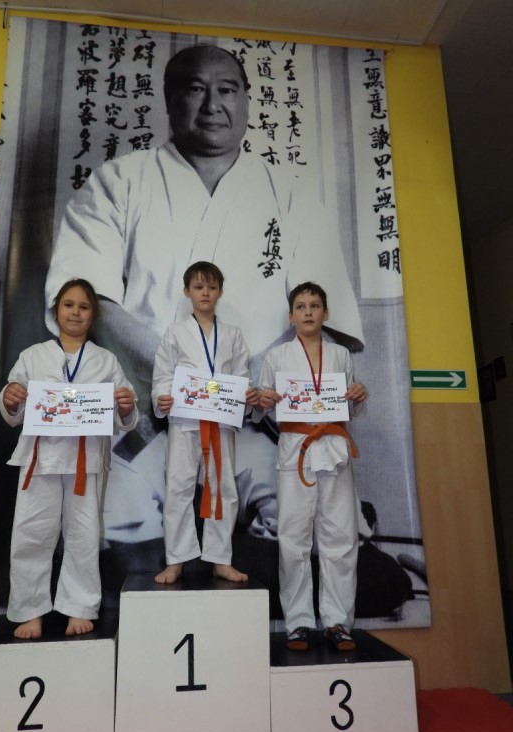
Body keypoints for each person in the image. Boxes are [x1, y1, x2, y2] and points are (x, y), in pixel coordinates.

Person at [44, 43, 364, 569]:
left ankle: (233, 554)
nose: (213, 104)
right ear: (170, 99)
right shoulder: (118, 181)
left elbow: (319, 320)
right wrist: (183, 377)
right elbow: (87, 297)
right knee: (102, 525)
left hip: (252, 417)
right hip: (146, 416)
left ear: (246, 100)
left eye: (227, 90)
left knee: (317, 521)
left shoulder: (292, 193)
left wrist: (237, 389)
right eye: (196, 89)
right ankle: (168, 561)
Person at [0, 279, 138, 639]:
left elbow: (125, 414)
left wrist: (126, 407)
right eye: (68, 304)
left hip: (84, 460)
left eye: (84, 307)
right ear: (56, 310)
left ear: (93, 315)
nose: (75, 312)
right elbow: (13, 405)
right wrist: (10, 398)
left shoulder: (106, 360)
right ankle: (30, 610)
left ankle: (78, 606)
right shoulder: (33, 356)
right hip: (40, 459)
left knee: (83, 534)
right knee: (32, 532)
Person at [256, 282, 366, 651]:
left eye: (314, 305)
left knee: (340, 538)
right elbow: (260, 407)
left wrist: (357, 396)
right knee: (293, 539)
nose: (308, 312)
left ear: (325, 313)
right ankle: (298, 622)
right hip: (295, 451)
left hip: (334, 449)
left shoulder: (340, 355)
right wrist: (263, 400)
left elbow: (351, 406)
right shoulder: (277, 357)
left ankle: (337, 622)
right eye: (301, 306)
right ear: (291, 316)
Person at [152, 261, 258, 584]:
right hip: (185, 421)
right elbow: (163, 375)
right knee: (178, 488)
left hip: (221, 422)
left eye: (212, 287)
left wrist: (246, 395)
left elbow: (241, 375)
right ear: (187, 292)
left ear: (220, 292)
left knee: (224, 488)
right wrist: (162, 397)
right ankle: (176, 560)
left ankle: (220, 559)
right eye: (199, 287)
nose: (206, 293)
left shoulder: (233, 335)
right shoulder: (175, 332)